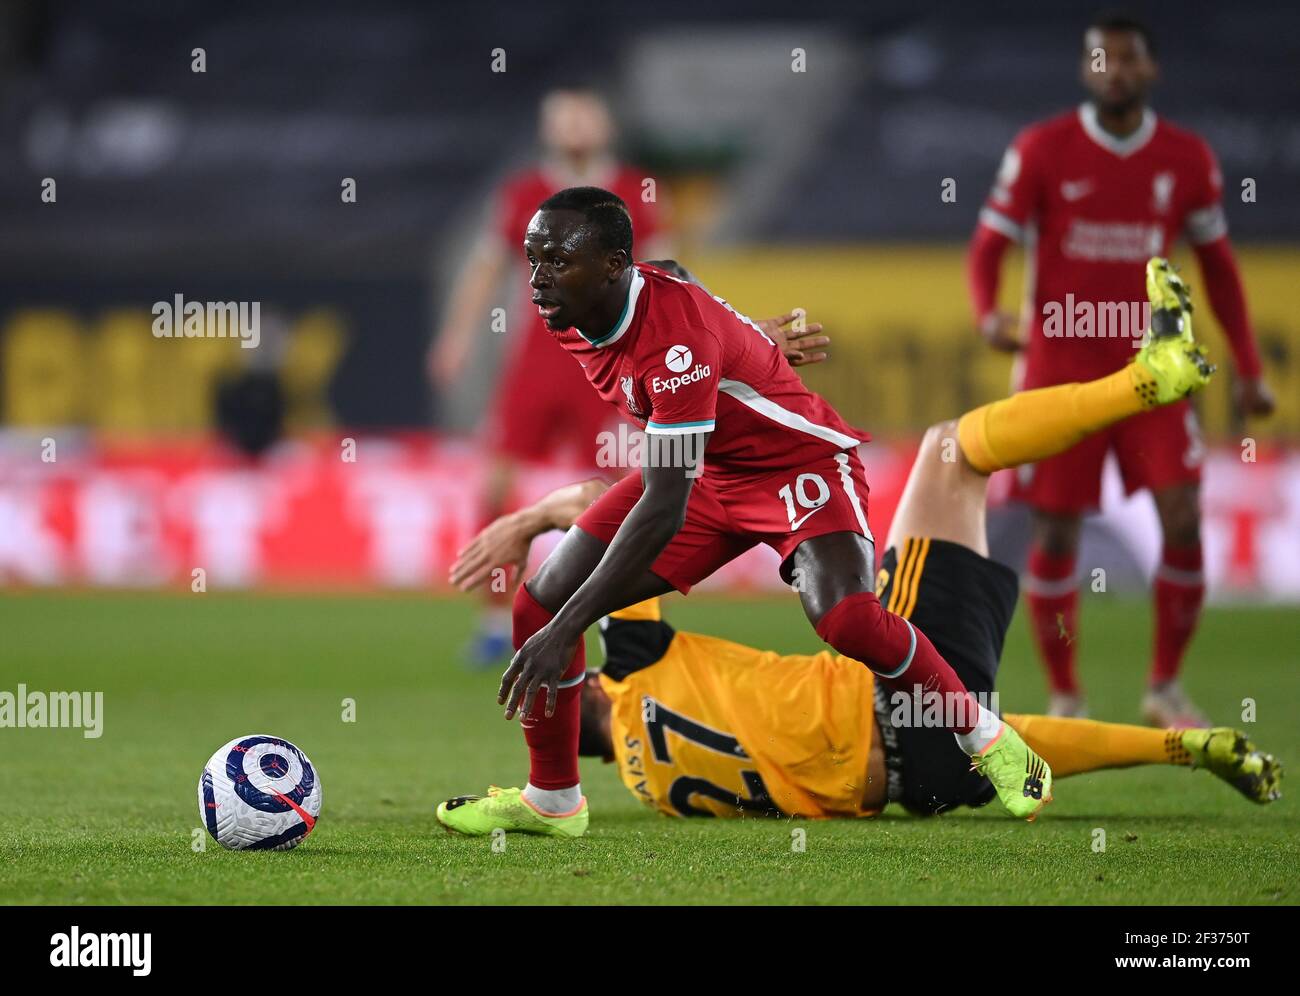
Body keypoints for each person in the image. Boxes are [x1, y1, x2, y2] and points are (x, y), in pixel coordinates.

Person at [436, 235, 1199, 840]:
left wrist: (570, 624)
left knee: (844, 616)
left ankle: (984, 736)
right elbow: (683, 286)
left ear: (609, 268)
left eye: (556, 262)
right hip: (707, 470)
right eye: (533, 259)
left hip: (790, 468)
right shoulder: (599, 305)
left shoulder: (670, 348)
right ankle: (553, 800)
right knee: (538, 603)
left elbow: (661, 508)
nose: (534, 279)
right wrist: (745, 342)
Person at [967, 11, 1275, 726]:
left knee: (1185, 517)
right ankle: (1068, 693)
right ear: (1086, 69)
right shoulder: (1043, 148)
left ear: (1150, 69)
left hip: (1155, 371)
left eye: (1128, 59)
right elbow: (988, 245)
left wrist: (1251, 369)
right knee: (1055, 533)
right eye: (1102, 59)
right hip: (1059, 374)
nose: (1115, 71)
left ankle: (1163, 686)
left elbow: (1221, 271)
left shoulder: (1186, 158)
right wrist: (988, 314)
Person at [428, 87, 668, 667]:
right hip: (537, 359)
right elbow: (486, 267)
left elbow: (664, 270)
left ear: (605, 124)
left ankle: (616, 614)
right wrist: (456, 335)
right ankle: (494, 619)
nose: (576, 127)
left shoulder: (637, 189)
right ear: (548, 127)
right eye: (565, 117)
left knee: (620, 487)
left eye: (585, 115)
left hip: (612, 357)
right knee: (495, 481)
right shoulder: (522, 193)